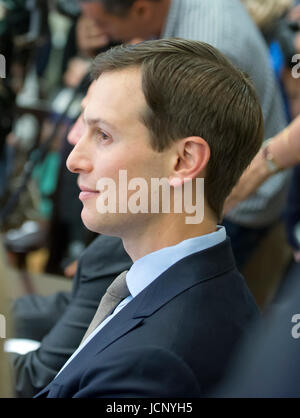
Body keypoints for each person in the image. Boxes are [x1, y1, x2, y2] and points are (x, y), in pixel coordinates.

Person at [35, 37, 263, 398]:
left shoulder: (153, 365)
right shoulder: (199, 288)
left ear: (184, 161)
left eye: (104, 135)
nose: (74, 160)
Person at [77, 0, 289, 270]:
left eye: (102, 24)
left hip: (231, 204)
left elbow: (182, 182)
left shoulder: (207, 52)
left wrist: (104, 262)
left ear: (142, 9)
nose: (98, 32)